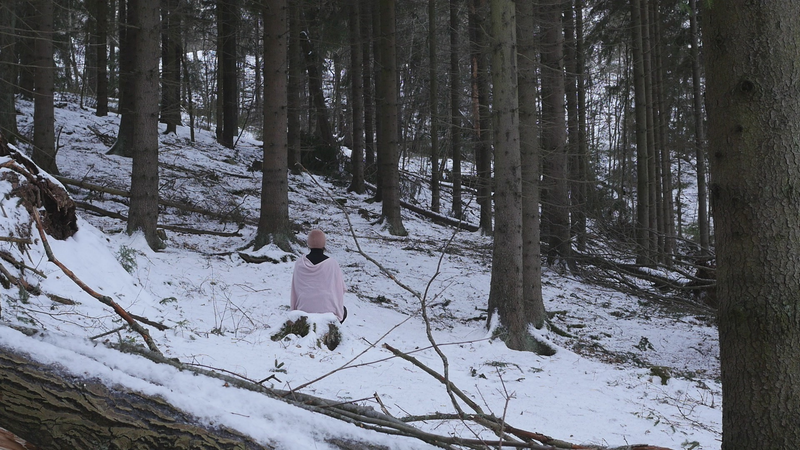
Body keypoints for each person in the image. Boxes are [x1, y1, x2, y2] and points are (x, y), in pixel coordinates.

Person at [290, 229, 347, 322]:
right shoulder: (332, 264)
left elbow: (295, 289)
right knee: (343, 310)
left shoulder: (300, 263)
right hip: (328, 312)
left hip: (303, 310)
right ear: (324, 244)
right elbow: (340, 289)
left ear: (308, 243)